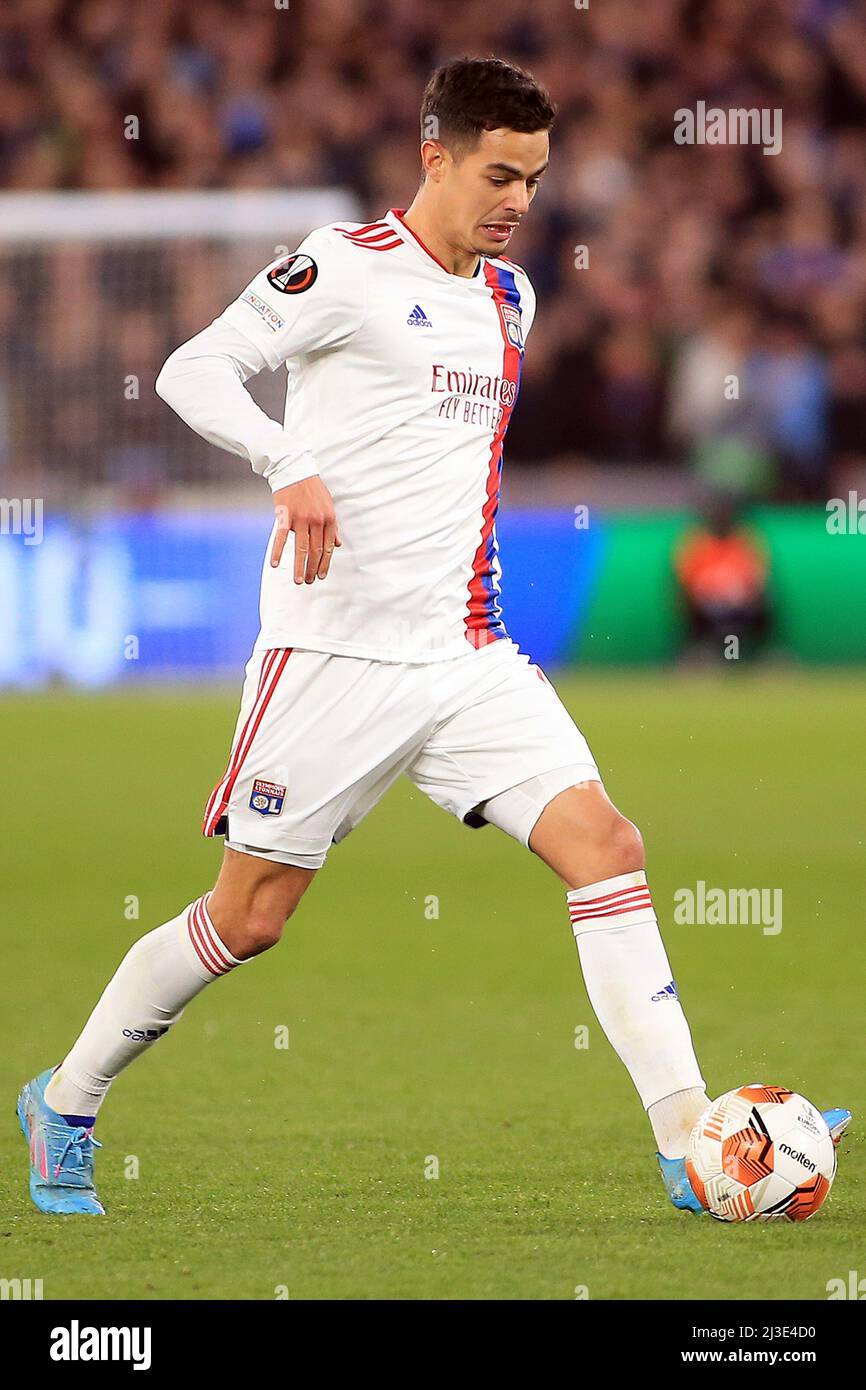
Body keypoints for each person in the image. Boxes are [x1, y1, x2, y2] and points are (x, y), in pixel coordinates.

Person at [18, 57, 848, 1217]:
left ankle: (687, 1142)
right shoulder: (343, 267)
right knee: (249, 917)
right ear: (434, 158)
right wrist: (287, 461)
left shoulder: (510, 299)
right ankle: (66, 1101)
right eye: (498, 175)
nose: (518, 201)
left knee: (606, 846)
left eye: (534, 179)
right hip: (332, 655)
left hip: (464, 653)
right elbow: (189, 368)